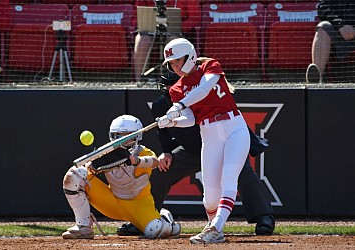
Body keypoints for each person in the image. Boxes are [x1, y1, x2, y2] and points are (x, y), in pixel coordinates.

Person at [117, 73, 275, 237]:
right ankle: (145, 219)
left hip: (223, 146)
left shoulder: (202, 96)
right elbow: (162, 132)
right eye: (168, 87)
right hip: (191, 152)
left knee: (244, 173)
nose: (171, 90)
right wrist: (166, 152)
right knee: (161, 172)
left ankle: (263, 217)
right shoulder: (161, 104)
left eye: (175, 85)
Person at [154, 38, 251, 244]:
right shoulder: (176, 90)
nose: (175, 67)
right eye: (171, 63)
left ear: (190, 56)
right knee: (210, 194)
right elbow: (190, 119)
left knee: (229, 177)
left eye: (177, 61)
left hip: (234, 127)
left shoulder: (210, 66)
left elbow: (203, 90)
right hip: (209, 133)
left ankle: (217, 227)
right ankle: (214, 229)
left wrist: (178, 107)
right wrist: (171, 122)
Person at [62, 114, 181, 240]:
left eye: (129, 136)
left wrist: (135, 160)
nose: (124, 140)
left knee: (157, 231)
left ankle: (166, 220)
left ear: (137, 136)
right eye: (119, 136)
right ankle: (83, 227)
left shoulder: (143, 152)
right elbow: (87, 168)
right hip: (112, 201)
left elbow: (154, 162)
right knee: (74, 175)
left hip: (139, 204)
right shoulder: (107, 153)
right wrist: (91, 165)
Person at [133, 0, 201, 82]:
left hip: (176, 32)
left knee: (175, 41)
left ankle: (178, 81)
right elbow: (134, 18)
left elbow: (195, 18)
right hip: (149, 32)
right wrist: (144, 25)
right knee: (142, 40)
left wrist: (178, 27)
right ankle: (139, 81)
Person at [306, 0, 355, 84]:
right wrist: (340, 24)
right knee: (323, 27)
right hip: (341, 34)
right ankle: (317, 79)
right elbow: (323, 8)